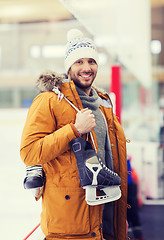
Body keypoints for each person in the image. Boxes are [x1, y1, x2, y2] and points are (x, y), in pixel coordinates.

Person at [20, 29, 127, 240]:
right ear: (68, 67)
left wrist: (118, 214)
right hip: (69, 226)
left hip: (106, 218)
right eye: (79, 62)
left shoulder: (103, 104)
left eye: (91, 61)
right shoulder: (49, 101)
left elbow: (111, 161)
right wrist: (74, 130)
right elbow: (30, 152)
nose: (86, 68)